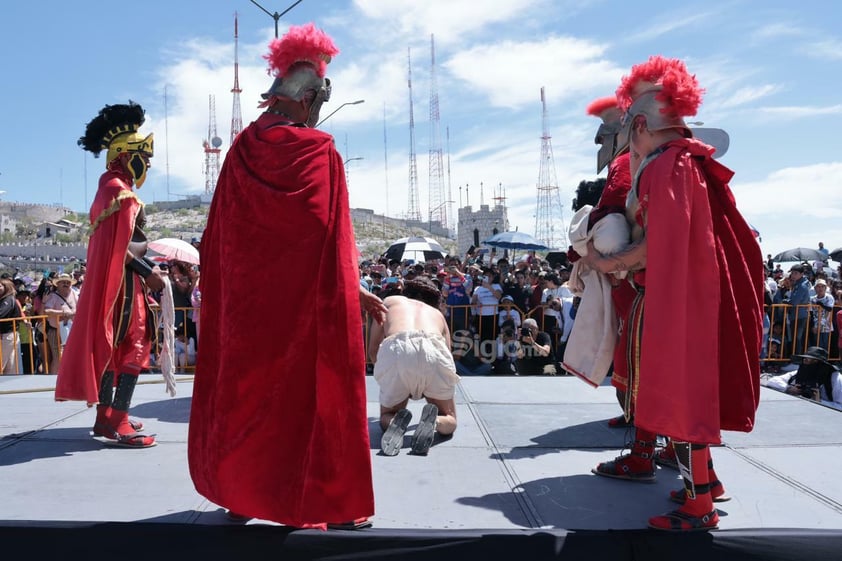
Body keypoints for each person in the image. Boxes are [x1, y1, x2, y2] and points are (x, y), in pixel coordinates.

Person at [188, 24, 387, 529]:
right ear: (307, 99)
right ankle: (323, 501)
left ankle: (242, 492)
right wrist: (351, 290)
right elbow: (325, 235)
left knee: (248, 395)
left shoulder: (238, 152)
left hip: (246, 311)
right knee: (311, 399)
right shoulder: (319, 152)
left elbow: (215, 239)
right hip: (302, 309)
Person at [584, 56, 763, 531]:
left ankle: (699, 503)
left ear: (640, 123)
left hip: (676, 298)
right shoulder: (685, 160)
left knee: (680, 390)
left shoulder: (668, 165)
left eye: (628, 131)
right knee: (670, 385)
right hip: (683, 295)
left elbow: (656, 246)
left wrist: (607, 262)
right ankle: (698, 482)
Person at [55, 101, 164, 449]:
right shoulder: (122, 192)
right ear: (124, 154)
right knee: (134, 345)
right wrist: (151, 273)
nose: (146, 163)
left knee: (112, 346)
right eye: (141, 156)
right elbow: (124, 248)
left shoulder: (107, 187)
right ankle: (117, 420)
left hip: (114, 283)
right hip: (125, 284)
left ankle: (105, 417)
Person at [368, 278, 459, 456]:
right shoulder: (437, 314)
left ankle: (394, 421)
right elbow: (447, 354)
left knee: (387, 416)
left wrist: (389, 378)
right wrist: (427, 384)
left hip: (398, 346)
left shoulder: (390, 301)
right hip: (433, 349)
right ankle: (436, 423)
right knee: (450, 418)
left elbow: (373, 349)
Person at [763, 346, 842, 409]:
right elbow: (772, 381)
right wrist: (789, 388)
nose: (806, 364)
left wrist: (820, 401)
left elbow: (840, 406)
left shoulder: (835, 378)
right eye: (805, 360)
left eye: (811, 361)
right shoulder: (800, 372)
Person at [42, 274, 77, 374]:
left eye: (68, 282)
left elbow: (81, 308)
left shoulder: (74, 293)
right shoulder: (53, 296)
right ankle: (54, 380)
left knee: (72, 355)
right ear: (57, 284)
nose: (66, 284)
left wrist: (72, 314)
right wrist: (62, 313)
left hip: (72, 329)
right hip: (55, 330)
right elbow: (47, 310)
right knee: (58, 357)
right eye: (63, 282)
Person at [0, 278, 21, 374]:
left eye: (0, 286)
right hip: (9, 335)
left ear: (7, 287)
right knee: (10, 364)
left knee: (2, 361)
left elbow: (1, 314)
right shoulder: (7, 299)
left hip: (6, 335)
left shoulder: (8, 300)